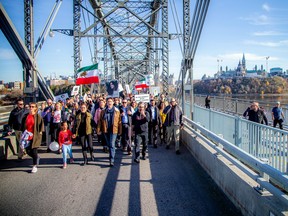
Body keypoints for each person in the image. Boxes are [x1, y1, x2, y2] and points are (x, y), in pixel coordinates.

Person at [97, 97, 122, 167]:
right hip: (106, 130)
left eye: (111, 101)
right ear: (106, 103)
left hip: (114, 130)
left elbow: (119, 121)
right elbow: (100, 121)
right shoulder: (103, 111)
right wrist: (98, 130)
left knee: (111, 144)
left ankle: (112, 159)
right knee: (109, 144)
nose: (109, 103)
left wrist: (120, 131)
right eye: (108, 102)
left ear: (113, 102)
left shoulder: (117, 111)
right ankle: (112, 153)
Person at [21, 102, 44, 173]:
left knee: (34, 150)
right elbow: (22, 125)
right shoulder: (25, 116)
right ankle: (36, 157)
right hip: (27, 136)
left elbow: (41, 125)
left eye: (33, 107)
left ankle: (34, 166)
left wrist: (40, 132)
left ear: (36, 108)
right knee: (27, 151)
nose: (31, 108)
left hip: (35, 136)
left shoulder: (38, 116)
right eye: (30, 106)